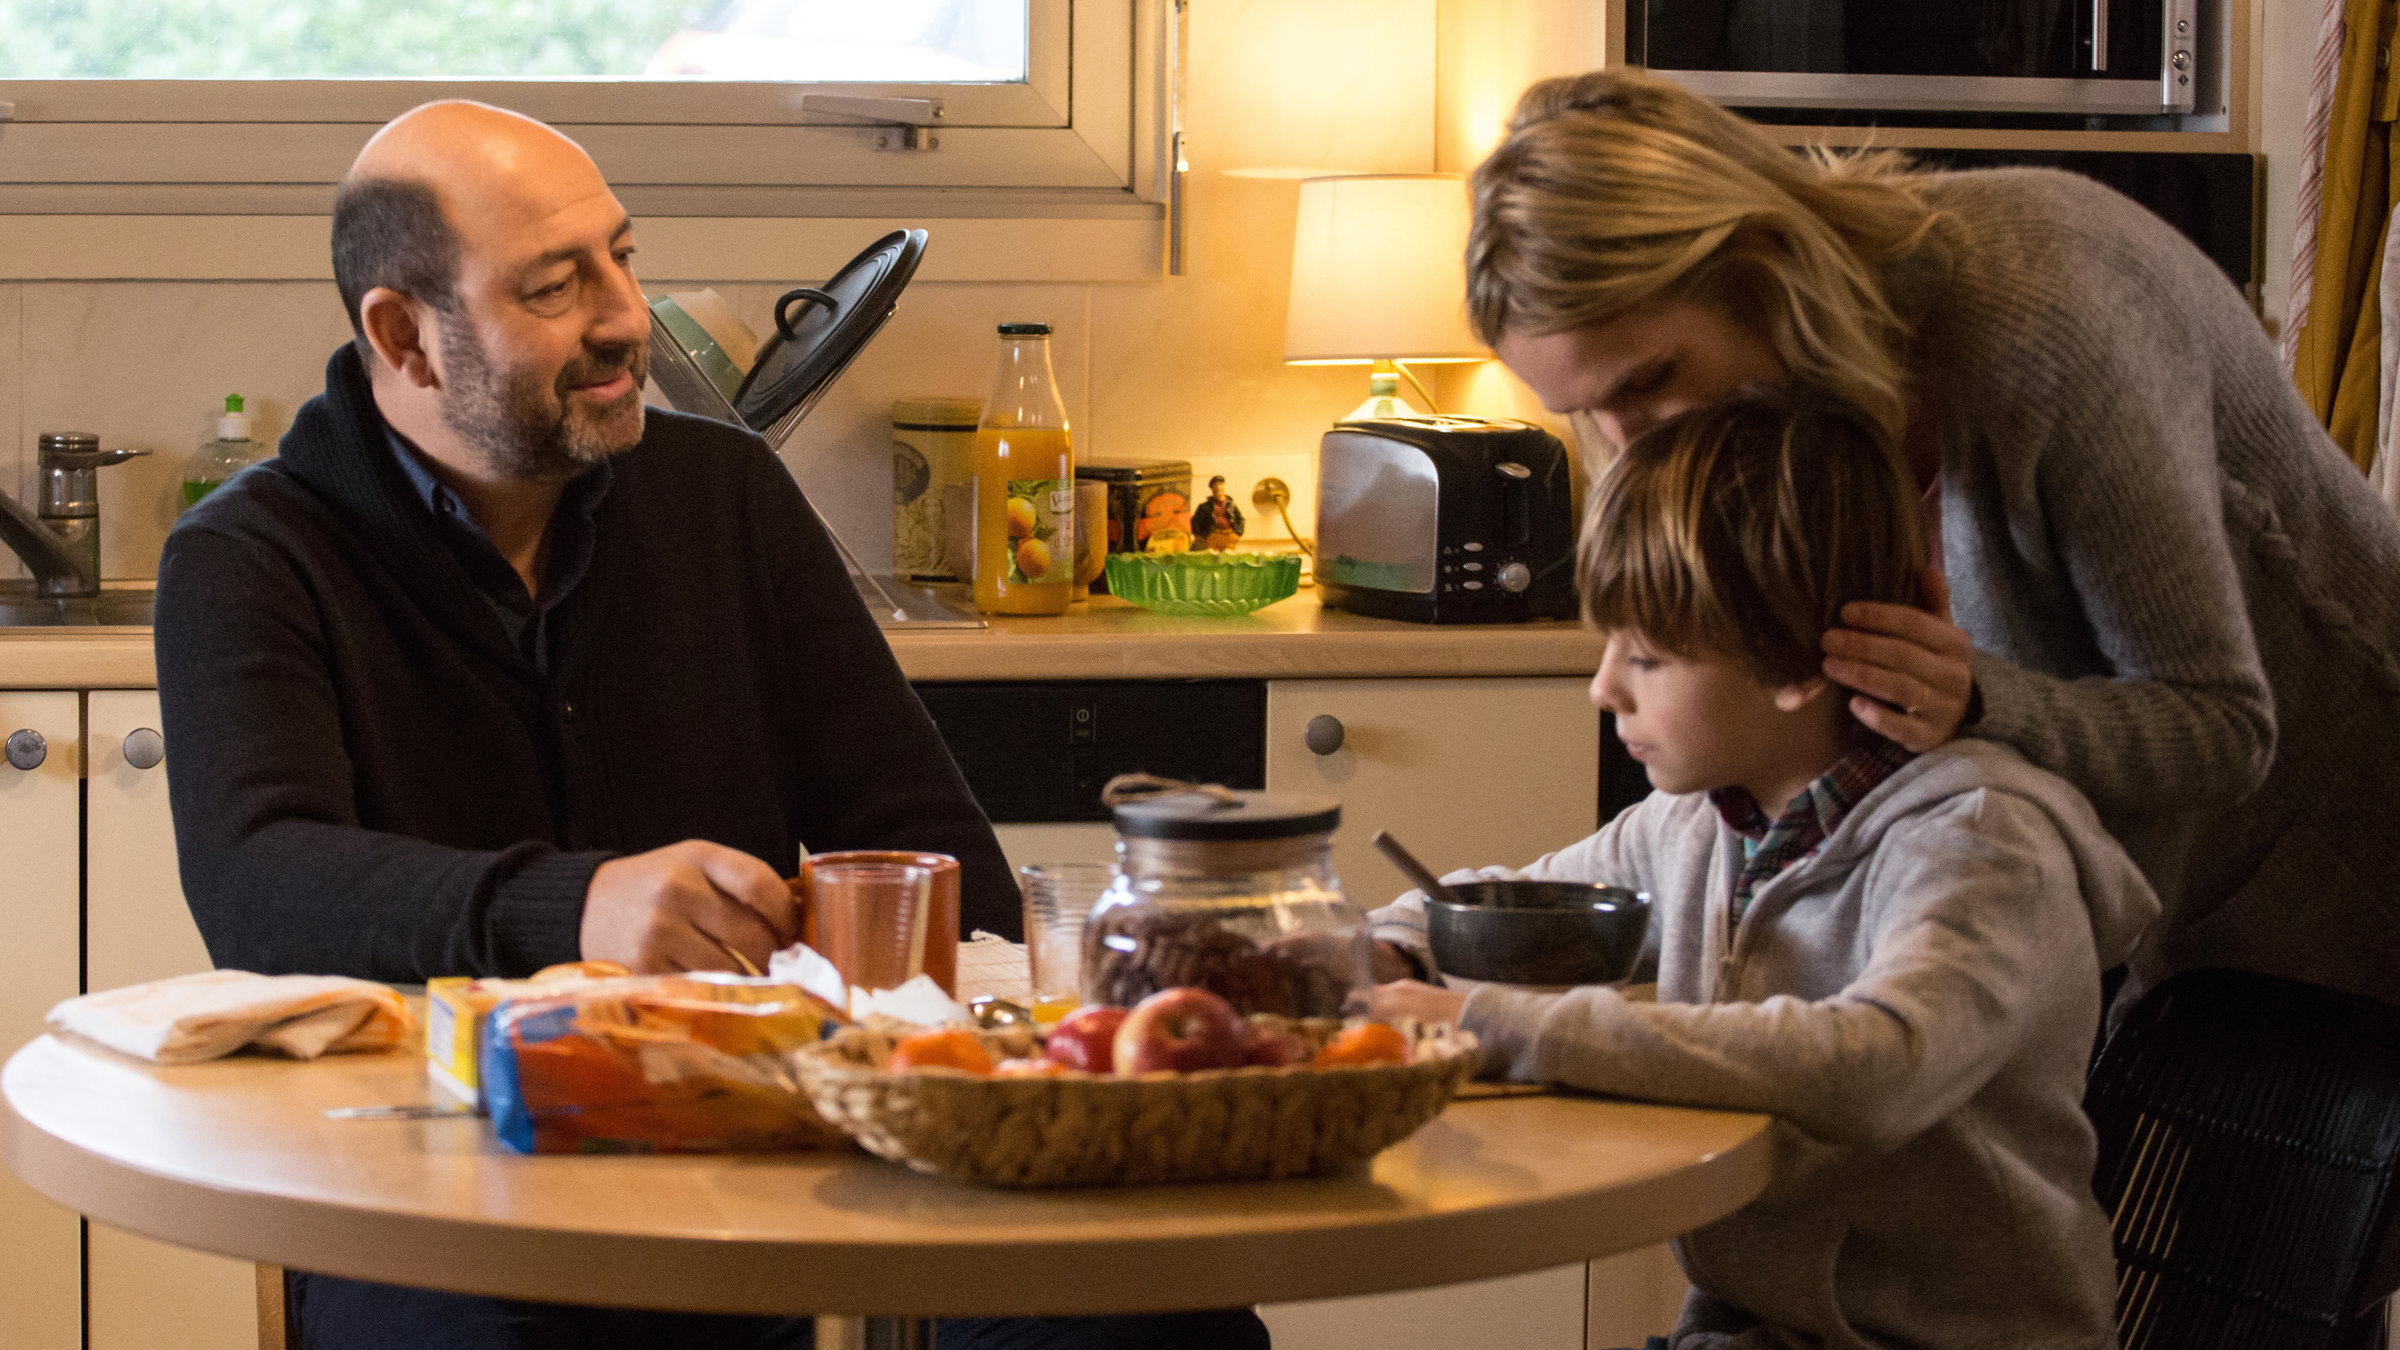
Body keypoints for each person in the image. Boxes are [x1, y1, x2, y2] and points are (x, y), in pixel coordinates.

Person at [155, 101, 1265, 1350]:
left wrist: (865, 942)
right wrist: (578, 908)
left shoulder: (724, 495)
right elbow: (261, 881)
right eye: (555, 287)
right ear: (405, 336)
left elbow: (938, 855)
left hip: (765, 1169)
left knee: (1152, 1322)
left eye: (621, 258)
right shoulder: (250, 556)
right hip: (428, 1192)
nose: (624, 315)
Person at [1464, 68, 2400, 1014]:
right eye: (1589, 413)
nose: (1639, 443)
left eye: (1649, 379)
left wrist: (1984, 699)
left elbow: (2227, 730)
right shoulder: (1774, 406)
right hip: (2147, 926)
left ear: (1758, 264)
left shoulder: (2048, 322)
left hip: (2353, 837)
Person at [1370, 391, 2158, 1350]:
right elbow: (1512, 906)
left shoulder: (1981, 844)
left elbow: (1879, 1063)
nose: (1602, 687)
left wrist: (1489, 1025)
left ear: (1798, 664)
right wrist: (1388, 953)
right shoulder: (1702, 821)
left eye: (1648, 657)